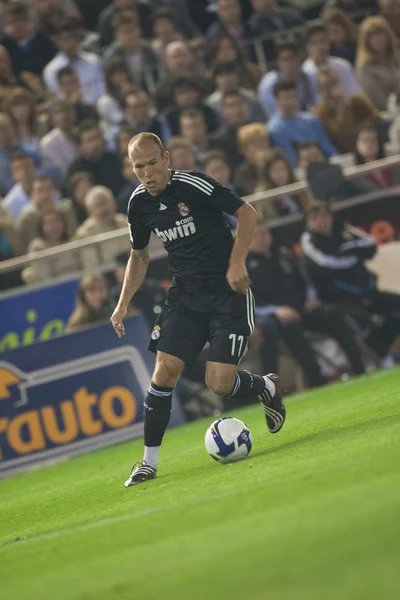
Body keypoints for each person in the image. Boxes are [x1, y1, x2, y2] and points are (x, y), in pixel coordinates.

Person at [110, 132, 286, 486]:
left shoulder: (195, 184)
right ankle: (148, 463)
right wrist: (122, 302)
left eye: (152, 163)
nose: (147, 173)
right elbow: (139, 255)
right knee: (164, 371)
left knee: (219, 384)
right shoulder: (138, 204)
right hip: (185, 298)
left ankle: (266, 388)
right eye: (138, 166)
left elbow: (247, 214)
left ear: (167, 158)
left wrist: (237, 264)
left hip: (227, 294)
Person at [247, 223, 365, 386]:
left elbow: (305, 278)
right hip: (276, 318)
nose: (262, 238)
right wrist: (276, 310)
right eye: (256, 235)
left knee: (333, 313)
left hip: (302, 308)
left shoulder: (284, 254)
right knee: (290, 328)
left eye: (264, 233)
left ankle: (360, 369)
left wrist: (311, 297)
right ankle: (317, 380)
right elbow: (246, 302)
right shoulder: (243, 266)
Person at [301, 202, 400, 363]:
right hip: (338, 298)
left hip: (366, 291)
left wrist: (347, 250)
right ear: (307, 222)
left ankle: (384, 347)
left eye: (324, 215)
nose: (321, 220)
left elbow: (370, 245)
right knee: (360, 319)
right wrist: (354, 253)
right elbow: (326, 264)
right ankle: (385, 359)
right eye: (314, 217)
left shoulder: (343, 230)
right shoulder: (309, 240)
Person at [267, 80, 338, 166]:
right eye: (286, 98)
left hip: (326, 167)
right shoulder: (274, 130)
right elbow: (290, 162)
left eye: (294, 97)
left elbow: (329, 149)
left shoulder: (312, 120)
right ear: (276, 100)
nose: (291, 102)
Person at [313, 67, 380, 154]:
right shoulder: (320, 112)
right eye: (328, 85)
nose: (333, 89)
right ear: (319, 89)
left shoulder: (357, 100)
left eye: (335, 83)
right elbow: (341, 132)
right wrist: (343, 105)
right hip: (345, 153)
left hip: (370, 147)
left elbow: (376, 118)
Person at [43, 22, 105, 106]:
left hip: (98, 107)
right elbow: (57, 98)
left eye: (74, 38)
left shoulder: (93, 61)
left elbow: (102, 87)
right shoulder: (51, 70)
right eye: (67, 39)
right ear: (58, 42)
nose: (71, 43)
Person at [75, 185, 130, 269]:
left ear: (114, 203)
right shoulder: (85, 233)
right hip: (107, 275)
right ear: (90, 211)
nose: (104, 208)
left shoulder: (126, 221)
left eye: (106, 203)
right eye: (99, 205)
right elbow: (92, 266)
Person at [102, 10, 159, 92]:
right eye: (125, 32)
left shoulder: (147, 50)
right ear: (116, 36)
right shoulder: (111, 57)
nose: (130, 36)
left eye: (133, 30)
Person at [22, 207, 81, 283]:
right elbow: (45, 278)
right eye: (49, 223)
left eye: (57, 221)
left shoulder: (72, 242)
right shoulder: (38, 247)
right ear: (41, 227)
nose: (54, 226)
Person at [258, 42, 316, 118]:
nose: (290, 63)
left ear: (299, 59)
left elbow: (315, 102)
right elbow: (271, 112)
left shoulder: (308, 77)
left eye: (292, 58)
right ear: (278, 63)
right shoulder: (268, 84)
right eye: (285, 60)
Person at [303, 23, 360, 98]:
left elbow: (356, 93)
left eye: (323, 41)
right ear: (307, 47)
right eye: (315, 43)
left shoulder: (343, 65)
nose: (320, 46)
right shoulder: (305, 74)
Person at [0, 1, 57, 77]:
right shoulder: (5, 46)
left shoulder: (42, 38)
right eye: (11, 22)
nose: (16, 26)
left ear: (27, 20)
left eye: (19, 20)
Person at [68, 122, 125, 196]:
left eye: (98, 138)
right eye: (90, 140)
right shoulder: (76, 169)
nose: (96, 144)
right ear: (81, 145)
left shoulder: (115, 159)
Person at [356, 16, 400, 111]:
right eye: (373, 36)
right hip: (387, 113)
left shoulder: (397, 57)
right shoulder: (365, 67)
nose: (378, 39)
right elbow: (378, 99)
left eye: (381, 34)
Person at [254, 149, 303, 219]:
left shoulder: (299, 184)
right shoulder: (262, 194)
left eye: (282, 168)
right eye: (275, 170)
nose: (280, 174)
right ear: (267, 173)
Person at [97, 57, 134, 146]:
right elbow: (123, 122)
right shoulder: (105, 101)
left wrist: (131, 94)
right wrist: (127, 96)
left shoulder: (135, 93)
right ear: (109, 78)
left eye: (122, 72)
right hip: (115, 141)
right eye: (115, 74)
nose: (120, 77)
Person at [39, 100, 78, 180]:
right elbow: (62, 171)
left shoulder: (81, 134)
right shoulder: (48, 143)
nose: (64, 115)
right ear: (52, 118)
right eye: (59, 112)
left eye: (67, 110)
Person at [4, 87, 41, 166]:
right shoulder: (8, 138)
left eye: (24, 104)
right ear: (9, 109)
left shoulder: (42, 127)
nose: (21, 109)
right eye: (16, 106)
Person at [235, 122, 272, 194]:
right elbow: (257, 193)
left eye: (263, 140)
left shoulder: (277, 160)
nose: (261, 145)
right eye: (255, 142)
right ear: (244, 149)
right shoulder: (243, 173)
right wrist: (261, 166)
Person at [2, 150, 36, 217]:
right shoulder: (9, 204)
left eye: (28, 166)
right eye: (19, 168)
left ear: (34, 169)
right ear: (13, 175)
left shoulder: (51, 192)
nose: (25, 171)